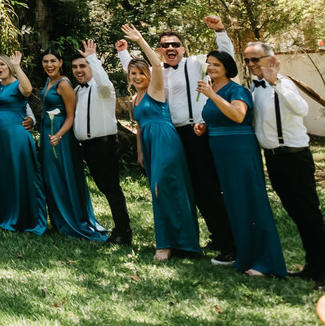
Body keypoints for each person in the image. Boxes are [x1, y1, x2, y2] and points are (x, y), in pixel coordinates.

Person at [138, 16, 236, 263]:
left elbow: (226, 57)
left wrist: (220, 31)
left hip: (197, 133)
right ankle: (189, 239)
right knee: (181, 188)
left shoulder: (195, 64)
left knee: (206, 188)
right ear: (160, 50)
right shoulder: (155, 72)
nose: (170, 48)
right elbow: (135, 74)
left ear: (182, 48)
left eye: (175, 44)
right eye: (165, 45)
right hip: (171, 136)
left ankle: (227, 242)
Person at [195, 50, 286, 277]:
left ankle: (266, 261)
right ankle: (245, 255)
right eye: (209, 64)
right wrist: (204, 126)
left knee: (250, 201)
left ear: (227, 67)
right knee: (235, 203)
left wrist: (212, 96)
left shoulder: (237, 90)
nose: (211, 68)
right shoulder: (212, 89)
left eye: (216, 64)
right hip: (220, 151)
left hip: (240, 150)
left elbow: (237, 115)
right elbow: (218, 116)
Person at [243, 43, 325, 290]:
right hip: (274, 158)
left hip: (294, 157)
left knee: (310, 214)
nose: (250, 65)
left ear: (271, 59)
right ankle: (313, 265)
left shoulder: (284, 83)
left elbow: (302, 109)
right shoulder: (254, 88)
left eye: (254, 59)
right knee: (297, 213)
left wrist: (276, 82)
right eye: (247, 60)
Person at [121, 24, 200, 260]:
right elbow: (138, 126)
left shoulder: (156, 89)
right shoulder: (135, 98)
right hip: (148, 143)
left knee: (164, 188)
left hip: (165, 139)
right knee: (160, 190)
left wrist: (140, 40)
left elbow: (157, 64)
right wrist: (140, 153)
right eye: (133, 74)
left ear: (149, 75)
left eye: (141, 73)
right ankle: (173, 242)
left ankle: (170, 245)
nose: (137, 77)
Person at [37, 46, 108, 242]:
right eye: (45, 62)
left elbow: (71, 116)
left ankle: (74, 221)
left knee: (63, 176)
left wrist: (58, 135)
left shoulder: (64, 84)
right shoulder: (49, 81)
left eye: (53, 61)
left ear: (61, 63)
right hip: (47, 132)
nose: (49, 65)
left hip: (61, 135)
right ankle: (60, 221)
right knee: (52, 178)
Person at [71, 40, 132, 245]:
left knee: (112, 188)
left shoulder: (103, 88)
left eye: (83, 66)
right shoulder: (78, 91)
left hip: (104, 145)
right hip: (87, 147)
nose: (79, 70)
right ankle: (119, 228)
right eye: (75, 67)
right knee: (105, 187)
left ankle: (123, 231)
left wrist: (92, 58)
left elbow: (104, 82)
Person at [0, 52, 46, 235]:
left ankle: (27, 218)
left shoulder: (18, 85)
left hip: (17, 137)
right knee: (4, 175)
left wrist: (18, 66)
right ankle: (5, 216)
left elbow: (28, 90)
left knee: (21, 174)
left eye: (2, 65)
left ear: (9, 67)